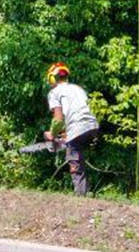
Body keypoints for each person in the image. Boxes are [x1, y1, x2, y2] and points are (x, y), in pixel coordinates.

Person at [43, 62, 100, 196]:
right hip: (93, 126)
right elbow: (79, 112)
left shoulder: (54, 92)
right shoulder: (78, 89)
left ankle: (81, 195)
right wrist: (65, 133)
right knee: (78, 152)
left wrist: (52, 134)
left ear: (52, 78)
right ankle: (87, 190)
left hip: (77, 126)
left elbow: (58, 119)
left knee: (74, 161)